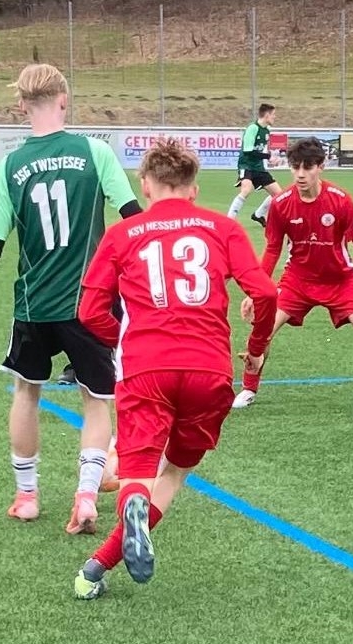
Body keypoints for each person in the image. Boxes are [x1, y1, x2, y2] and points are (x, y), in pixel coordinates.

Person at [72, 138, 279, 598]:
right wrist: (257, 348)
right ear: (194, 189)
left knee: (138, 470)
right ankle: (96, 567)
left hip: (146, 367)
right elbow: (265, 293)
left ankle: (131, 507)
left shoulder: (123, 234)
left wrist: (124, 338)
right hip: (210, 370)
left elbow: (88, 311)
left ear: (145, 186)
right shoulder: (222, 228)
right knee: (177, 469)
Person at [0, 64, 143, 533]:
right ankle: (87, 496)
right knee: (96, 400)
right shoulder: (96, 153)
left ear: (21, 106)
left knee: (26, 392)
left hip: (34, 306)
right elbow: (134, 219)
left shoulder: (11, 166)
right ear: (64, 99)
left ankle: (27, 497)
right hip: (90, 302)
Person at [232, 137, 353, 412]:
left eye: (308, 167)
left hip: (341, 280)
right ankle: (248, 387)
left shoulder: (340, 200)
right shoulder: (281, 204)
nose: (300, 174)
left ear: (320, 167)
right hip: (297, 280)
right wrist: (257, 290)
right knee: (263, 330)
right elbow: (272, 250)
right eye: (295, 167)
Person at [227, 103, 281, 225]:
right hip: (246, 165)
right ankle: (229, 220)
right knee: (246, 189)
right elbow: (248, 151)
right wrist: (268, 157)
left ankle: (258, 215)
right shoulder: (253, 128)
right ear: (267, 115)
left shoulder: (266, 131)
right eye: (273, 114)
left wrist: (270, 158)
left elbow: (260, 151)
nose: (275, 117)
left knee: (278, 194)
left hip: (258, 167)